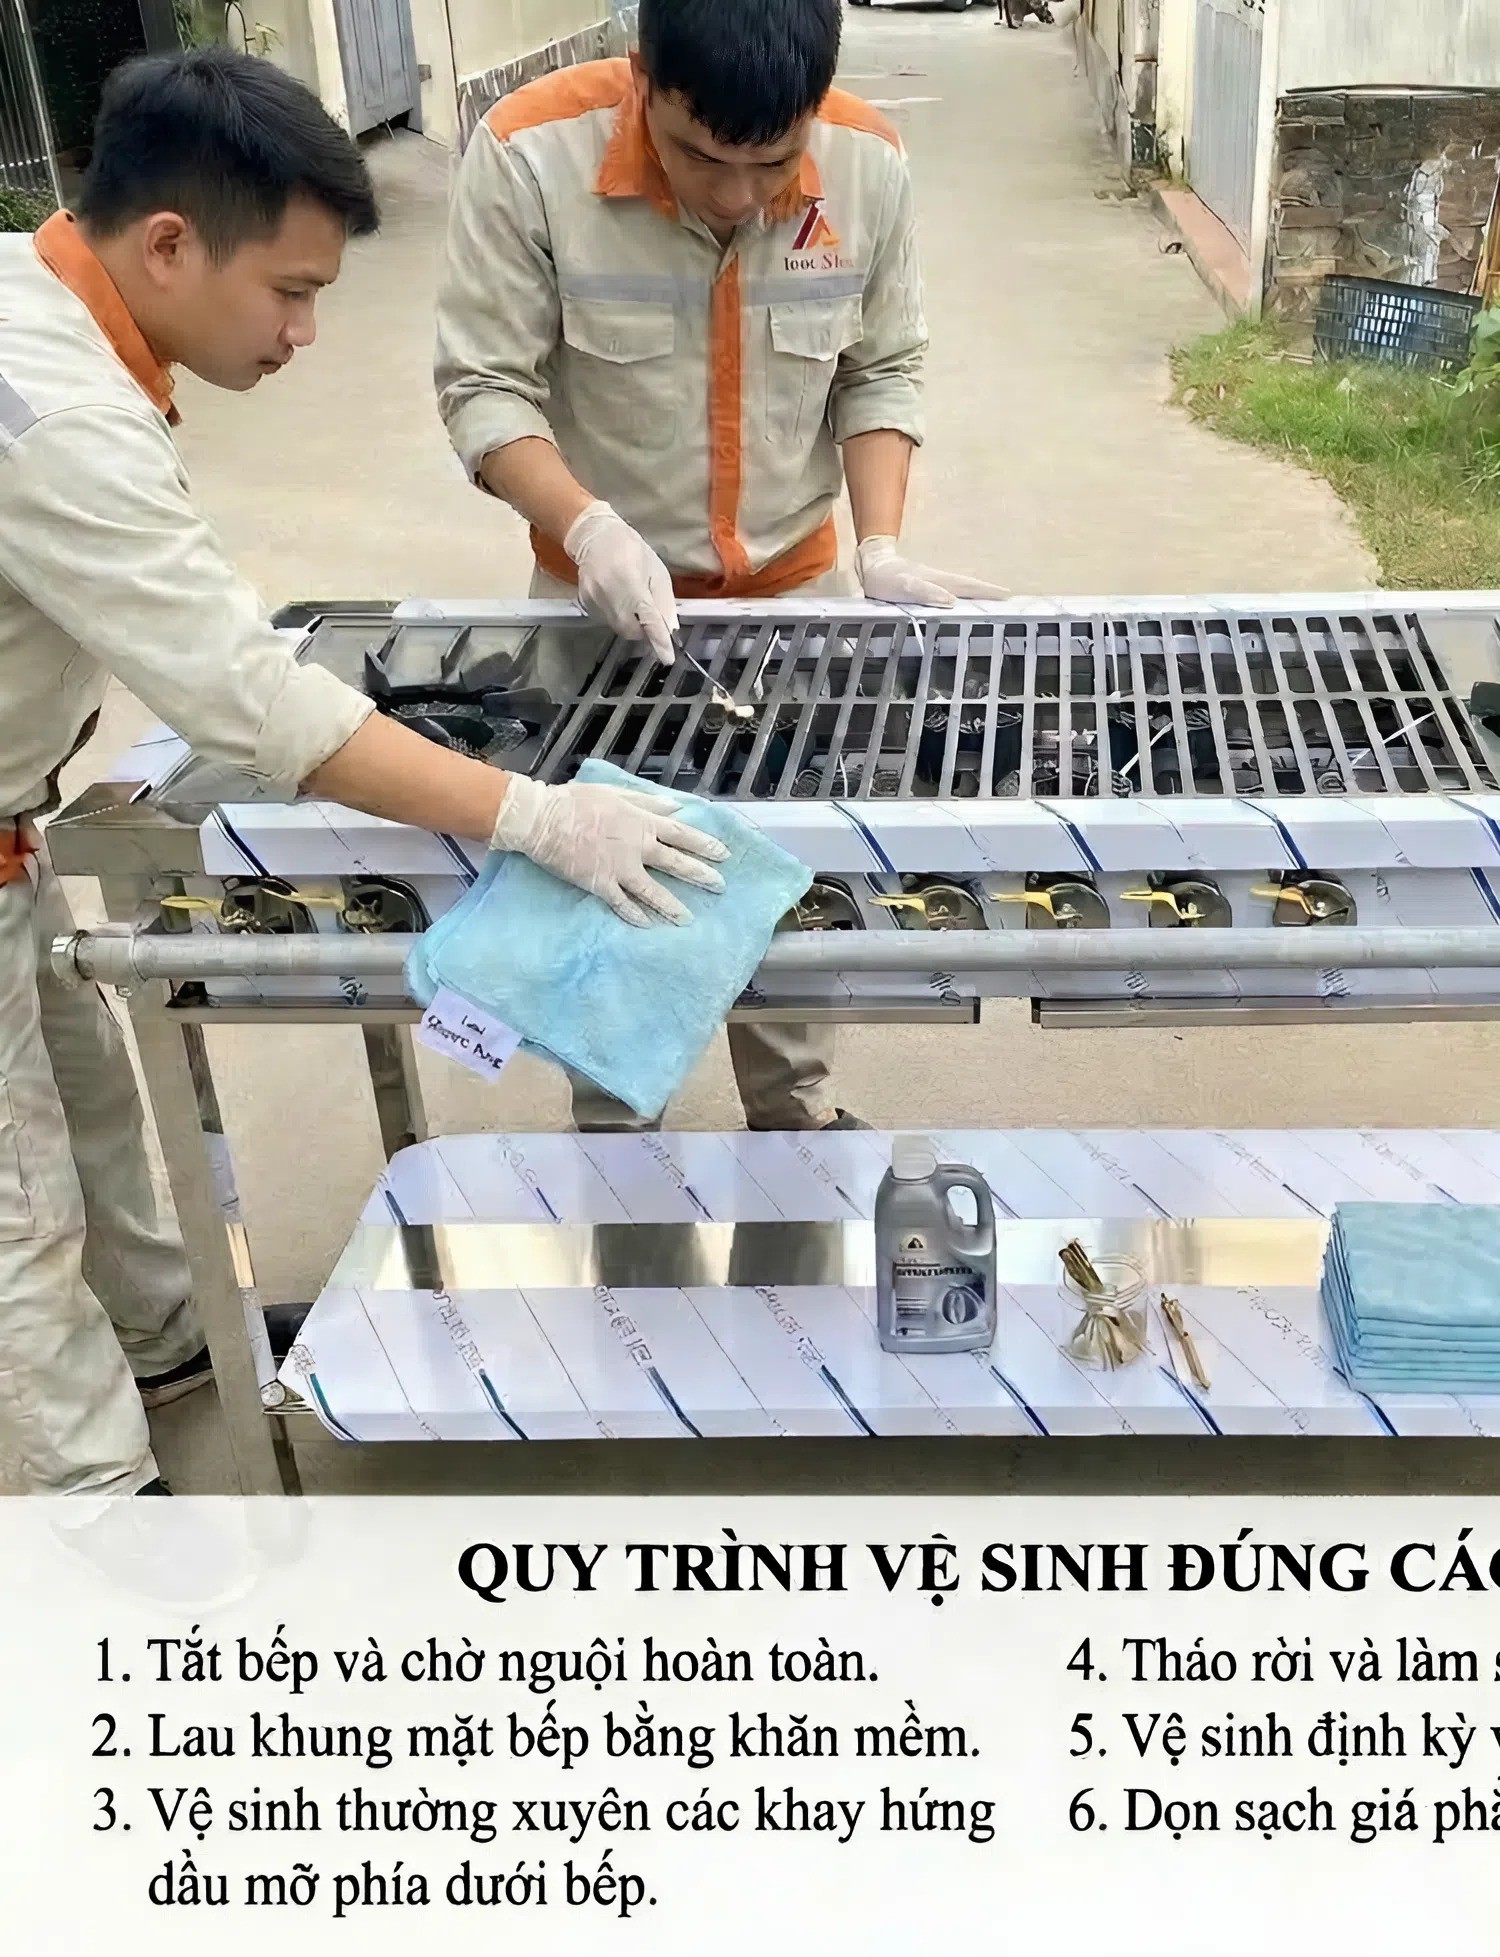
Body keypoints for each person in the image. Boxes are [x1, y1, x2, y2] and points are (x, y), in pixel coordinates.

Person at [0, 49, 732, 1499]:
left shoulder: (46, 309)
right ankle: (101, 1513)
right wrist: (535, 815)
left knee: (87, 1106)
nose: (305, 332)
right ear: (167, 245)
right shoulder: (63, 418)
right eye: (291, 291)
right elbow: (253, 700)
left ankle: (164, 1338)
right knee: (18, 1204)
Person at [434, 0, 1001, 1135]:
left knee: (790, 879)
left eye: (774, 162)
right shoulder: (529, 156)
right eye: (701, 157)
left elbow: (880, 367)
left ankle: (794, 1113)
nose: (738, 195)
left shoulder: (868, 162)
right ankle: (614, 1126)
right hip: (601, 605)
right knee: (612, 881)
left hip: (796, 597)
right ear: (643, 77)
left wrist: (880, 543)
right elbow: (484, 387)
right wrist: (587, 528)